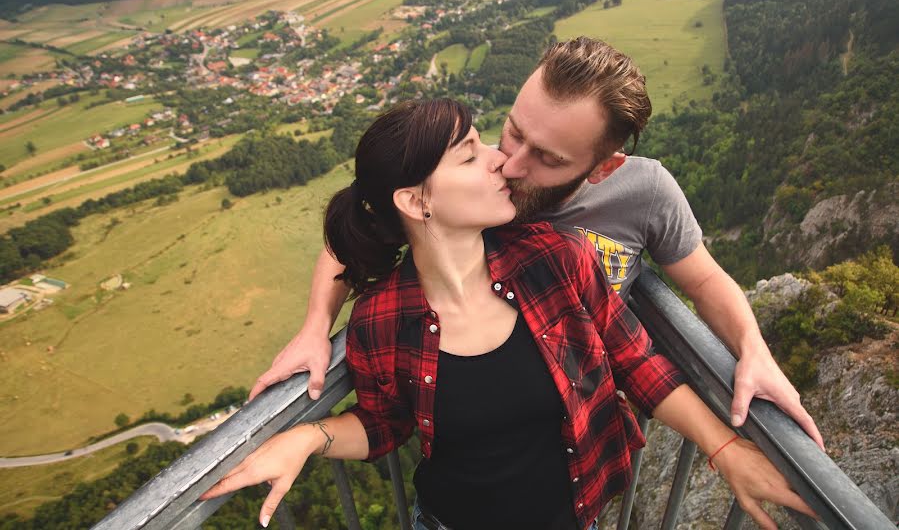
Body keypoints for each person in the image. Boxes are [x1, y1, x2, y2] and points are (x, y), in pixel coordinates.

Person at [202, 99, 815, 530]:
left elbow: (636, 361)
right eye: (470, 156)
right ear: (416, 201)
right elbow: (385, 424)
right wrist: (307, 437)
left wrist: (725, 450)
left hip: (580, 514)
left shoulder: (557, 259)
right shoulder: (382, 317)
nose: (501, 160)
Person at [249, 37, 824, 450]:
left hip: (581, 438)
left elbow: (702, 280)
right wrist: (313, 328)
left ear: (603, 167)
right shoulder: (475, 184)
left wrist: (754, 348)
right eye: (514, 131)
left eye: (547, 158)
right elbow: (371, 220)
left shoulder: (645, 192)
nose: (512, 165)